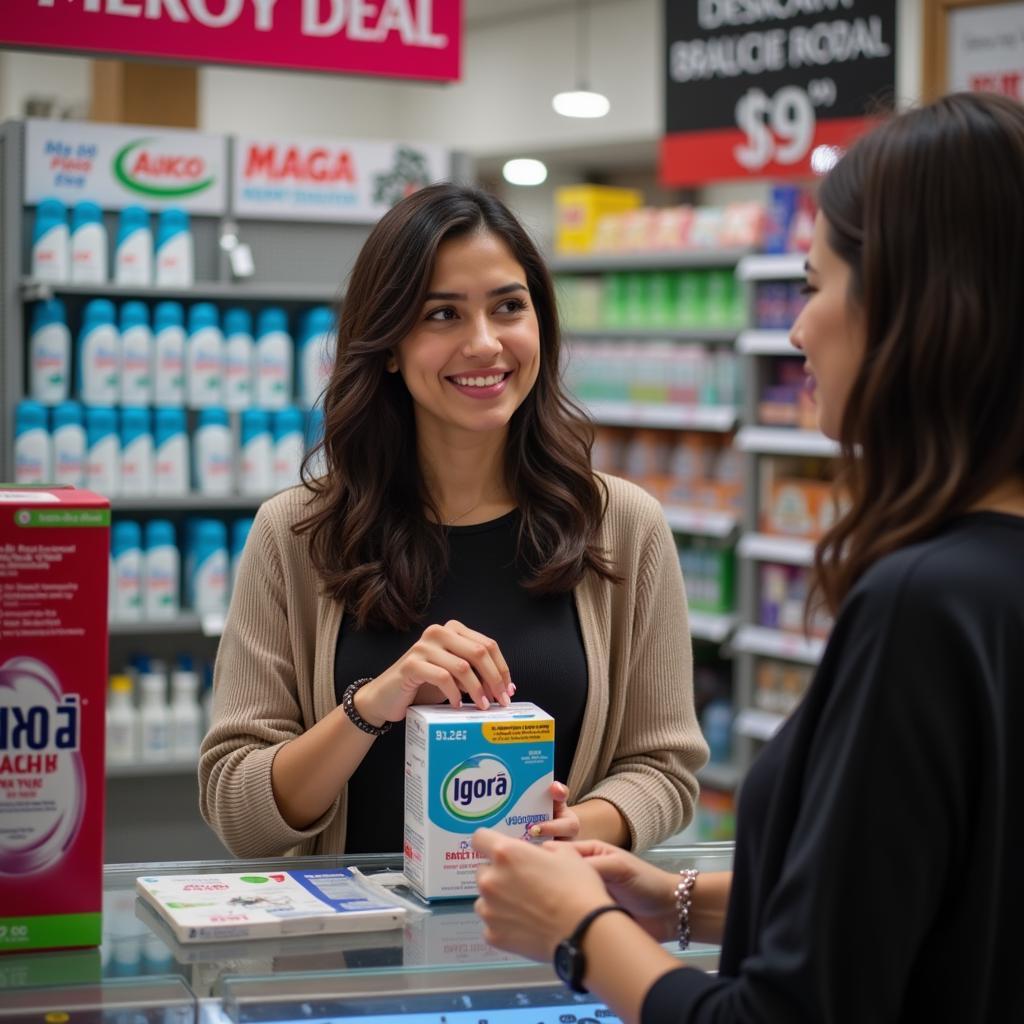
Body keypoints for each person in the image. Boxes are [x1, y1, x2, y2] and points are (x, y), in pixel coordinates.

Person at [472, 91, 1024, 1023]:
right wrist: (674, 900)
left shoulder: (921, 606)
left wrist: (579, 930)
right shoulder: (986, 579)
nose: (798, 332)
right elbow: (927, 902)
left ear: (915, 305)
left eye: (814, 286)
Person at [199, 183, 709, 859]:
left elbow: (664, 769)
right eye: (442, 314)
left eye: (508, 307)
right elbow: (239, 810)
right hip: (346, 958)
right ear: (386, 343)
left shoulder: (621, 525)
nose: (484, 343)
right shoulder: (297, 534)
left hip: (549, 944)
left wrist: (577, 831)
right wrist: (372, 705)